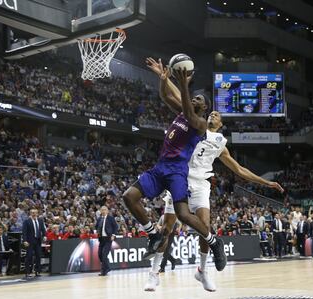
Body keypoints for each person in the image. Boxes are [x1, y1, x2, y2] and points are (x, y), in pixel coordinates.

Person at [143, 57, 284, 292]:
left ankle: (203, 271)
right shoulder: (193, 122)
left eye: (218, 115)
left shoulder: (219, 142)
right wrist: (164, 78)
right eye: (212, 113)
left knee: (204, 226)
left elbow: (239, 170)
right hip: (180, 177)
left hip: (200, 185)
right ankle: (154, 273)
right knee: (166, 229)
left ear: (220, 123)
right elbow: (179, 96)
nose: (213, 116)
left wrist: (265, 183)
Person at [122, 62, 227, 274]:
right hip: (161, 167)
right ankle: (152, 234)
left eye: (199, 99)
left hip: (178, 171)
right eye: (194, 97)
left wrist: (183, 84)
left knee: (183, 215)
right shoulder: (182, 112)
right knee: (128, 196)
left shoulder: (200, 124)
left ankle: (214, 241)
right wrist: (162, 79)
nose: (195, 100)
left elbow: (188, 111)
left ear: (204, 108)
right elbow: (165, 97)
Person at [22, 209, 46, 278]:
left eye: (35, 213)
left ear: (37, 213)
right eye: (32, 213)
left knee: (38, 256)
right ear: (30, 213)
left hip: (38, 241)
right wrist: (24, 240)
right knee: (29, 256)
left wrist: (44, 236)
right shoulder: (27, 221)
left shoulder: (40, 220)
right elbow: (24, 232)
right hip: (29, 241)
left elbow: (43, 230)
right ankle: (28, 272)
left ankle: (38, 271)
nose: (34, 214)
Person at [95, 206, 118, 276]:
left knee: (104, 254)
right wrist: (98, 232)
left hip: (108, 239)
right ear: (100, 211)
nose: (103, 211)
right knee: (100, 254)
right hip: (101, 239)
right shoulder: (99, 219)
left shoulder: (111, 218)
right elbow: (96, 226)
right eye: (102, 210)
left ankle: (103, 271)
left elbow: (115, 227)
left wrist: (113, 235)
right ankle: (107, 268)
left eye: (105, 210)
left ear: (107, 211)